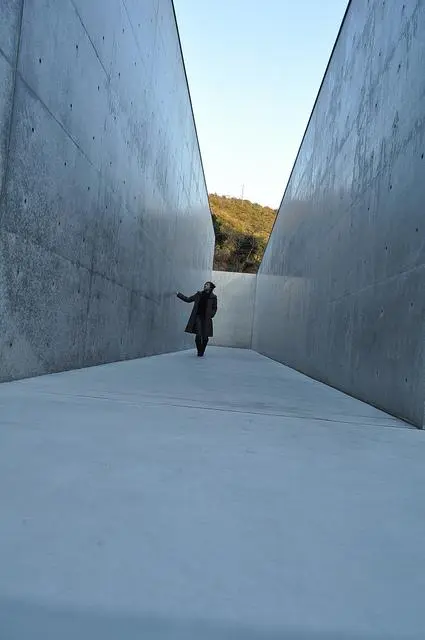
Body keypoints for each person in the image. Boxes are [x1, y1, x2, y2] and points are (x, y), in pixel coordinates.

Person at [176, 282, 218, 357]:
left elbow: (215, 308)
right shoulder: (198, 294)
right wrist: (178, 294)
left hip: (207, 318)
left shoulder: (213, 297)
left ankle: (202, 350)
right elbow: (188, 299)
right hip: (198, 317)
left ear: (211, 287)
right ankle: (199, 352)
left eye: (207, 285)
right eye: (205, 284)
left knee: (205, 337)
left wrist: (211, 315)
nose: (205, 285)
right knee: (198, 335)